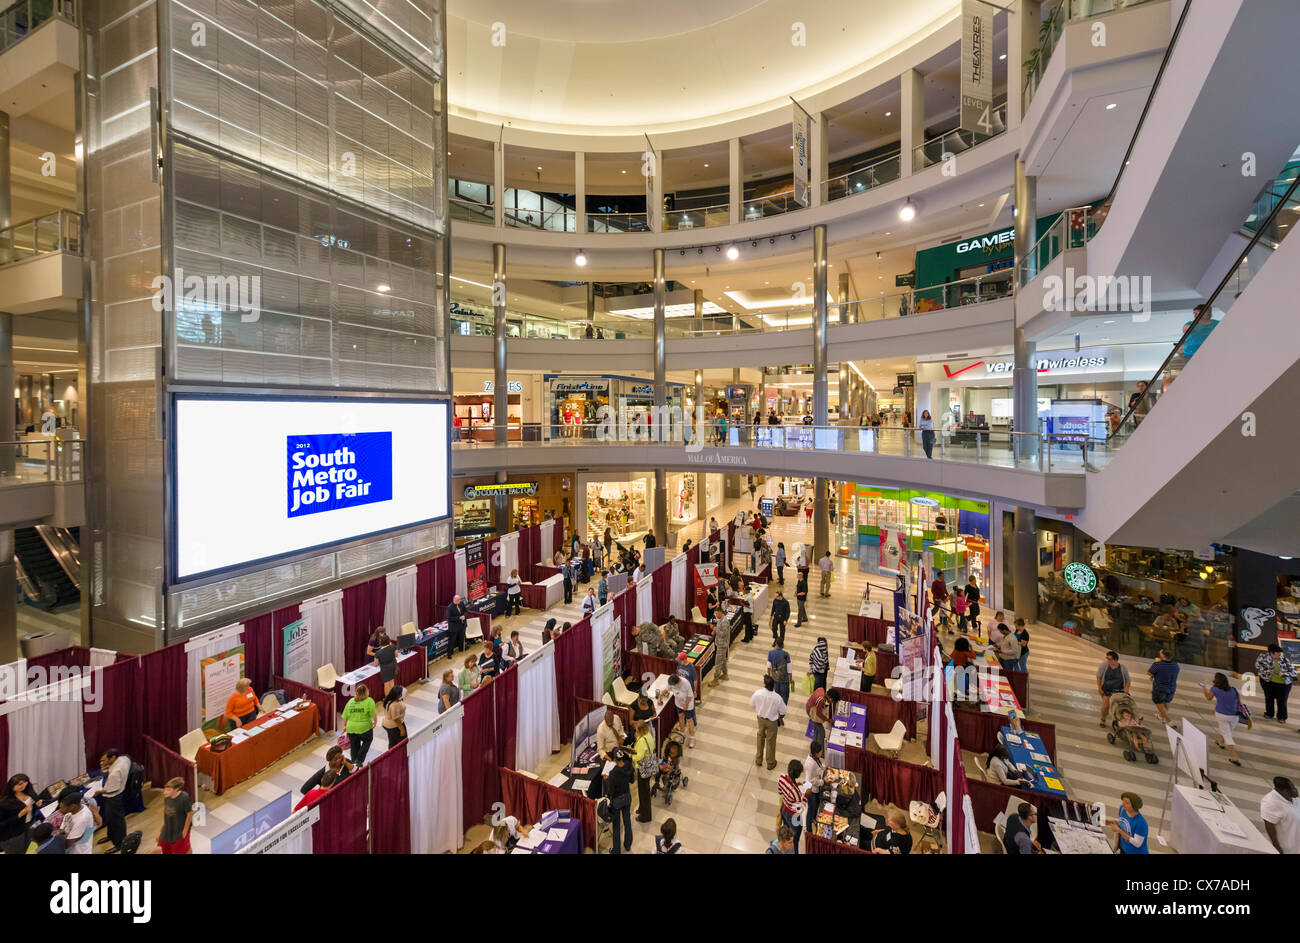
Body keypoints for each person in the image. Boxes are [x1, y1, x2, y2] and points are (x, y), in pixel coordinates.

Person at [1202, 672, 1243, 766]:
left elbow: (1208, 698)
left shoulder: (1214, 689)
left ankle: (1234, 757)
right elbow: (1239, 702)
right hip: (1235, 716)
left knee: (1227, 735)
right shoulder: (1234, 689)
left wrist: (1204, 688)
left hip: (1222, 715)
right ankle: (1221, 742)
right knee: (1227, 731)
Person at [99, 748, 132, 853]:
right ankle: (111, 835)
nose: (102, 762)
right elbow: (128, 757)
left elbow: (111, 790)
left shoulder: (115, 772)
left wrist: (97, 792)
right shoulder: (123, 758)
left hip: (114, 797)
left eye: (104, 760)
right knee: (109, 818)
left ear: (113, 758)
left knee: (117, 821)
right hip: (118, 792)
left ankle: (120, 843)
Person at [751, 676, 787, 770]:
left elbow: (751, 704)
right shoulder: (777, 697)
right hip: (772, 722)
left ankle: (758, 760)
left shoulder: (758, 693)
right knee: (770, 742)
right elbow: (783, 711)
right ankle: (770, 763)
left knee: (760, 738)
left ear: (765, 684)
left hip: (760, 719)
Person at [1256, 643, 1296, 724]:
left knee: (1282, 701)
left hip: (1283, 685)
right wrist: (1270, 671)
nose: (1280, 655)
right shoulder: (1263, 657)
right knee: (1269, 698)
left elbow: (1294, 673)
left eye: (1280, 653)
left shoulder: (1285, 660)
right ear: (1271, 653)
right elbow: (1258, 667)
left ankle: (1282, 717)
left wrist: (1283, 674)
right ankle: (1269, 714)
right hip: (1268, 682)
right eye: (1278, 653)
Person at [0, 773, 40, 854]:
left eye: (25, 782)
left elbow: (32, 810)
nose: (23, 785)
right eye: (19, 784)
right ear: (12, 786)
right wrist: (18, 815)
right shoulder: (4, 802)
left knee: (26, 849)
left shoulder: (30, 793)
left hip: (29, 826)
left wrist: (37, 805)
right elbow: (1, 823)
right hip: (13, 833)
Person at [605, 749, 635, 854]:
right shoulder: (629, 766)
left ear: (614, 759)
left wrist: (608, 781)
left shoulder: (613, 773)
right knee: (627, 822)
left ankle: (616, 850)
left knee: (616, 826)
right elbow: (632, 780)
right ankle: (627, 845)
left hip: (616, 801)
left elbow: (610, 791)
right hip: (627, 797)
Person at [1261, 777, 1300, 854]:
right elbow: (1269, 826)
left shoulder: (1292, 797)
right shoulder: (1270, 802)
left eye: (1293, 787)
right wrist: (1277, 847)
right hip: (1288, 848)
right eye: (1290, 789)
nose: (1294, 790)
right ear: (1282, 791)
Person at [342, 682, 377, 766]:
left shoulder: (350, 701)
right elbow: (373, 715)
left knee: (354, 746)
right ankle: (359, 760)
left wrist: (345, 726)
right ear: (366, 692)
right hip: (364, 728)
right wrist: (374, 723)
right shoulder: (369, 701)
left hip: (351, 728)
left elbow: (345, 716)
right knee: (368, 740)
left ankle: (354, 763)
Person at [157, 776, 195, 855]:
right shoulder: (167, 798)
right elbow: (167, 814)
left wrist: (185, 830)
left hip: (179, 830)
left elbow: (190, 813)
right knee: (163, 848)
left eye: (168, 790)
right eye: (165, 789)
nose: (165, 792)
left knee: (183, 850)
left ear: (176, 789)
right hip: (168, 829)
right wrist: (161, 830)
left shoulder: (185, 798)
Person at [777, 760, 806, 854]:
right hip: (794, 817)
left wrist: (795, 785)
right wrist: (806, 795)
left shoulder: (781, 778)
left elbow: (781, 792)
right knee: (794, 840)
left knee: (787, 834)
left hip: (784, 810)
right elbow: (800, 809)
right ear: (797, 775)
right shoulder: (796, 793)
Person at [1096, 650, 1130, 726]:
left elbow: (1128, 680)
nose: (1107, 660)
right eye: (1107, 658)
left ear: (1115, 659)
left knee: (1122, 707)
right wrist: (1099, 688)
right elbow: (1099, 677)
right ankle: (1103, 719)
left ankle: (1120, 720)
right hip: (1107, 690)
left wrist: (1126, 689)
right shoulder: (1104, 665)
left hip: (1119, 691)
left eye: (1109, 659)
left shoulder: (1122, 668)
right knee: (1105, 706)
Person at [631, 720, 656, 823]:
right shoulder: (648, 735)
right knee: (644, 790)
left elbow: (639, 756)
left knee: (643, 793)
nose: (635, 732)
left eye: (636, 730)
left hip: (643, 768)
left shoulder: (641, 740)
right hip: (650, 764)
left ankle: (645, 816)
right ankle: (642, 808)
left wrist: (631, 755)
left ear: (640, 730)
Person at [1147, 647, 1180, 725]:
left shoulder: (1158, 664)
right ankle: (1162, 716)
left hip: (1160, 688)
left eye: (1160, 653)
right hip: (1172, 688)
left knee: (1158, 702)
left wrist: (1154, 673)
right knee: (1166, 701)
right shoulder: (1176, 665)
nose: (1159, 654)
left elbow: (1149, 672)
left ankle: (1169, 720)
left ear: (1163, 656)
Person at [58, 790, 96, 855]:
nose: (59, 811)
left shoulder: (82, 819)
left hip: (80, 851)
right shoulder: (70, 813)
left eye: (62, 808)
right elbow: (61, 830)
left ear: (72, 806)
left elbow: (67, 844)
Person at [667, 674, 696, 747]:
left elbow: (690, 695)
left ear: (678, 682)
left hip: (687, 704)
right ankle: (681, 734)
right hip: (679, 703)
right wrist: (661, 695)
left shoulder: (685, 683)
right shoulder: (672, 680)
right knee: (681, 717)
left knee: (689, 720)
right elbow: (667, 688)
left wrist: (686, 705)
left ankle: (692, 738)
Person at [380, 685, 407, 750]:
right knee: (402, 743)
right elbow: (396, 719)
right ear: (398, 695)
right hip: (394, 726)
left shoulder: (389, 700)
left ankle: (392, 757)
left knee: (392, 743)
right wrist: (402, 729)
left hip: (387, 724)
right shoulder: (395, 704)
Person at [371, 632, 398, 696]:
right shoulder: (393, 647)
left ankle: (387, 699)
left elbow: (376, 664)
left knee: (386, 684)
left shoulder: (378, 653)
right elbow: (396, 655)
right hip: (393, 666)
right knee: (392, 682)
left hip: (385, 669)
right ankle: (392, 697)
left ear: (380, 642)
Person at [767, 637, 792, 704]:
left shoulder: (771, 653)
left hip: (775, 678)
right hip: (784, 679)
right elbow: (789, 669)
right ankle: (782, 711)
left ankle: (777, 709)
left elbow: (769, 667)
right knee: (785, 696)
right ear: (782, 644)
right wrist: (791, 679)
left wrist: (769, 678)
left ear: (776, 643)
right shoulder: (786, 654)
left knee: (777, 695)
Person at [710, 608, 730, 684]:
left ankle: (716, 679)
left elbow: (723, 634)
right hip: (719, 643)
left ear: (721, 613)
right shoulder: (720, 619)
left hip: (722, 644)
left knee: (718, 661)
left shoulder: (724, 621)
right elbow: (719, 630)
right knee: (723, 659)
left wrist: (714, 628)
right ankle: (725, 674)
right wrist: (715, 631)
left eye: (717, 613)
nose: (716, 615)